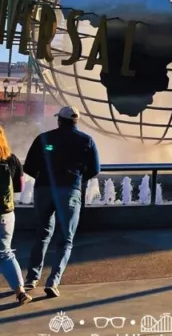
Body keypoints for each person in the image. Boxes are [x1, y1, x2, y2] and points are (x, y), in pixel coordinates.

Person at [22, 106, 100, 298]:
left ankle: (32, 278)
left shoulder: (44, 138)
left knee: (42, 233)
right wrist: (77, 179)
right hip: (70, 191)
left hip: (44, 190)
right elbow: (94, 168)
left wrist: (43, 178)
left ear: (59, 120)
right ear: (76, 121)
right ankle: (53, 281)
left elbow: (29, 166)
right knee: (66, 239)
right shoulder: (86, 140)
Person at [0, 125, 31, 305]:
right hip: (5, 214)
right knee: (5, 254)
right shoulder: (11, 159)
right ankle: (20, 292)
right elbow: (19, 187)